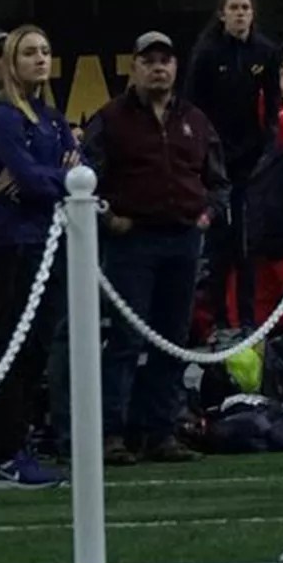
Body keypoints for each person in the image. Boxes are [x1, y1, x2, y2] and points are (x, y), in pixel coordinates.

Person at [82, 32, 224, 465]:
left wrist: (208, 214)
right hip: (133, 241)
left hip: (183, 238)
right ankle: (111, 433)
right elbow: (85, 180)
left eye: (165, 60)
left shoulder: (195, 120)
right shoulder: (109, 119)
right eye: (149, 61)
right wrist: (108, 218)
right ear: (135, 67)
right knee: (124, 340)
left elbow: (218, 179)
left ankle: (159, 432)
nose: (158, 67)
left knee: (173, 340)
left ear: (176, 67)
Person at [0, 27, 77, 490]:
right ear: (12, 62)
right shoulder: (2, 116)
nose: (39, 59)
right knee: (13, 345)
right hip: (14, 242)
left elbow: (84, 166)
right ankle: (5, 451)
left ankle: (21, 442)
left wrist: (61, 176)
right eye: (30, 52)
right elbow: (34, 177)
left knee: (37, 346)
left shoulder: (51, 118)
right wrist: (63, 178)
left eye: (45, 51)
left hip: (50, 240)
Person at [184, 0, 281, 331]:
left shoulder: (266, 52)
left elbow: (271, 107)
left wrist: (265, 149)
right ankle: (214, 321)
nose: (240, 14)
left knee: (246, 244)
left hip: (250, 160)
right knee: (218, 244)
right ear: (222, 14)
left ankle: (248, 320)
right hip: (214, 158)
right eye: (234, 8)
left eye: (245, 8)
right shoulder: (207, 53)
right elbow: (192, 105)